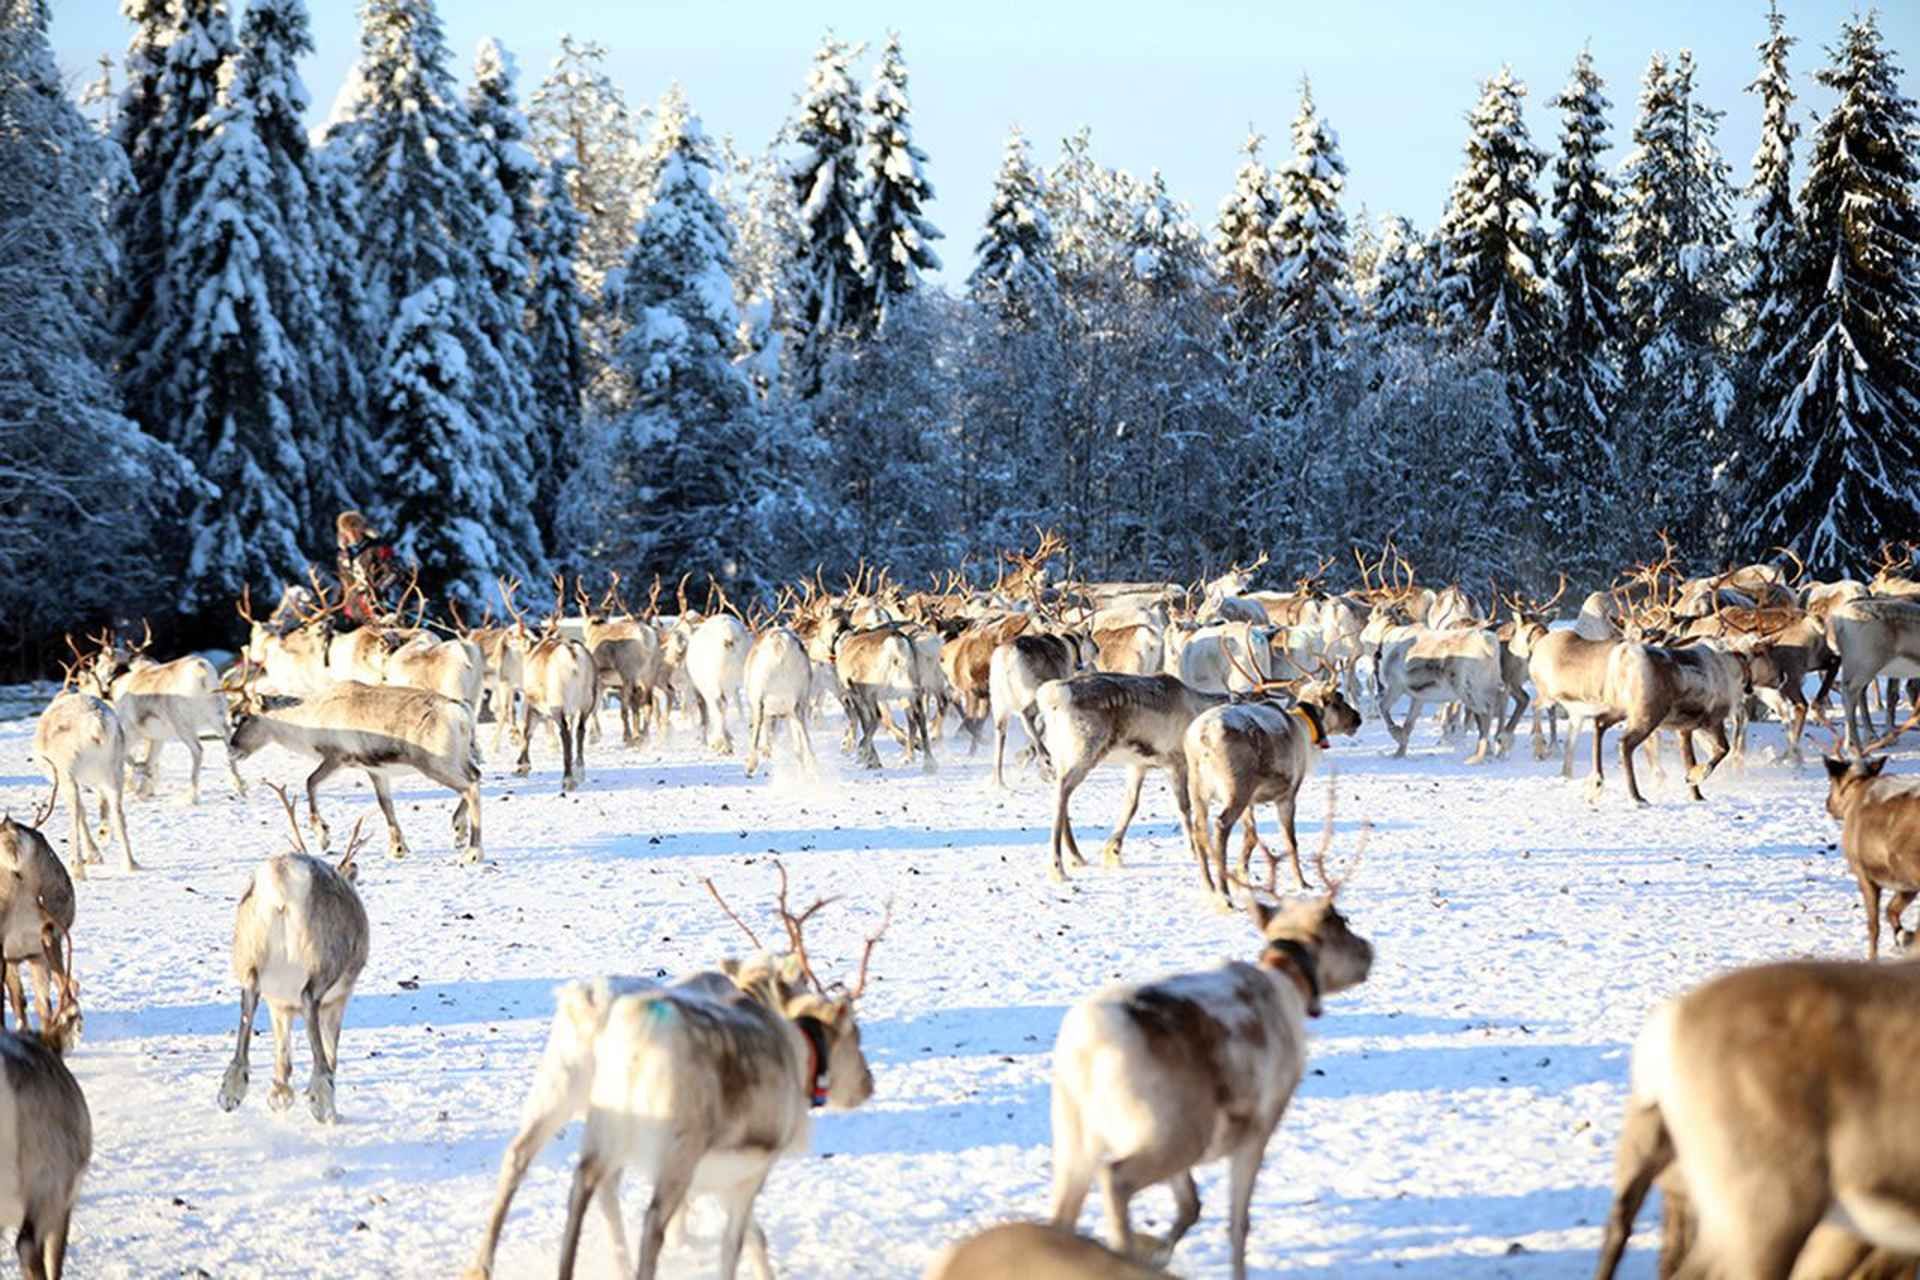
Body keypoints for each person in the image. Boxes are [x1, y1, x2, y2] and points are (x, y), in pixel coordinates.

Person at [336, 510, 397, 624]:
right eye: (348, 529)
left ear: (362, 528)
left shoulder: (378, 548)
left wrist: (377, 590)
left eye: (355, 527)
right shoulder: (342, 556)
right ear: (343, 532)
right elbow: (345, 584)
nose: (352, 533)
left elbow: (394, 573)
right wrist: (336, 605)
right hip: (352, 610)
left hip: (377, 605)